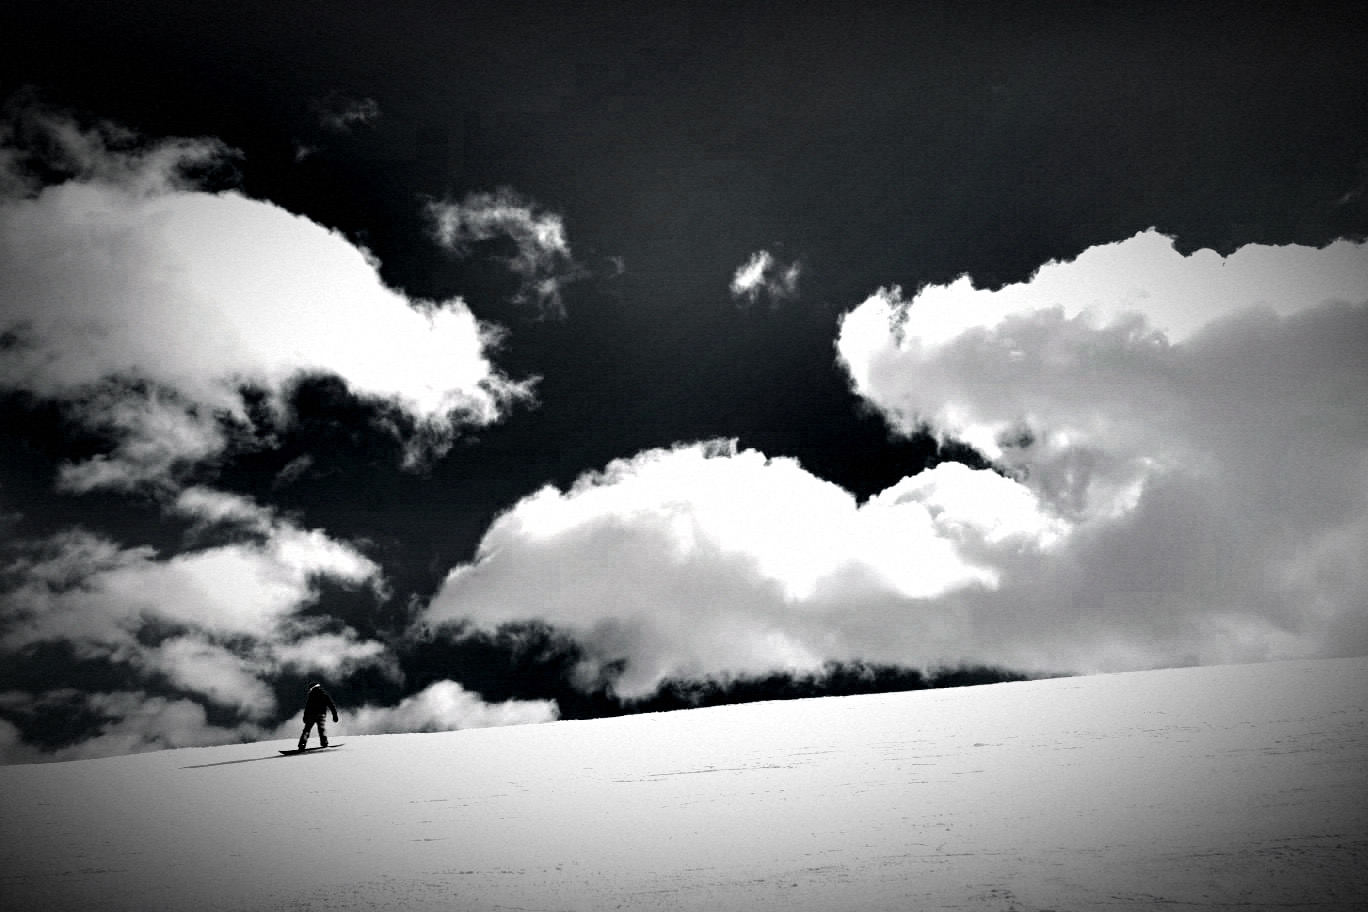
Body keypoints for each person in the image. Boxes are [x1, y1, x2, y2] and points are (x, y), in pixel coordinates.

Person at [298, 682, 339, 750]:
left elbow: (307, 707)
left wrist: (305, 716)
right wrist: (334, 714)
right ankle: (324, 743)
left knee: (307, 730)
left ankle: (302, 744)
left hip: (312, 715)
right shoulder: (323, 694)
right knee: (321, 729)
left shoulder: (311, 695)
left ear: (312, 688)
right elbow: (330, 704)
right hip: (321, 714)